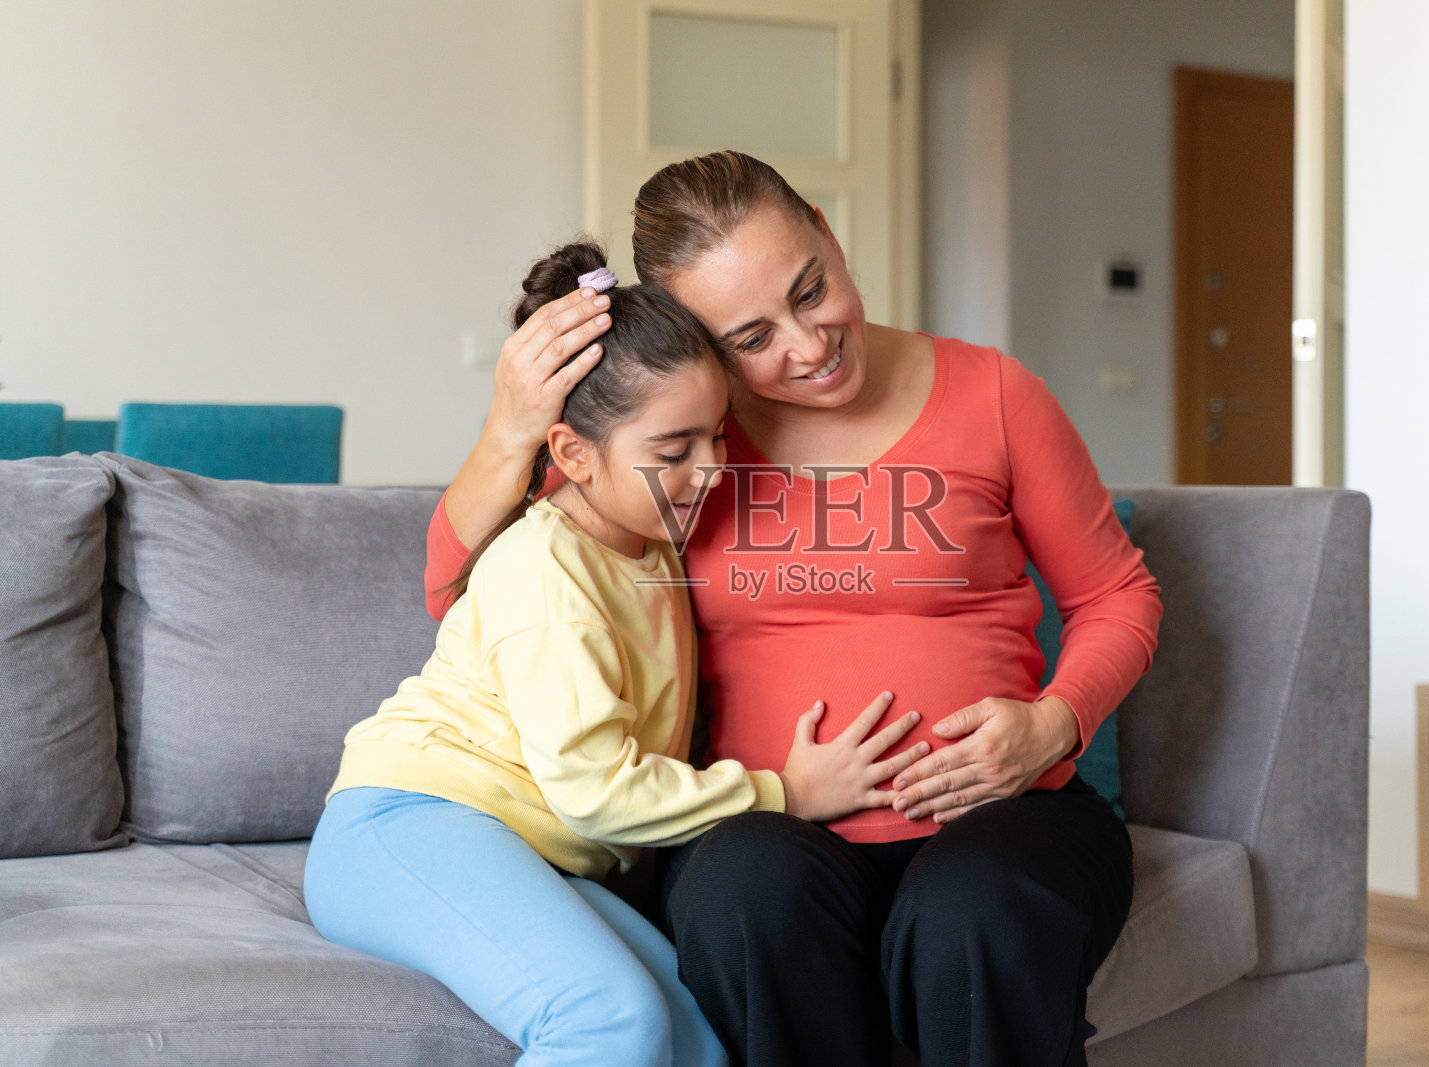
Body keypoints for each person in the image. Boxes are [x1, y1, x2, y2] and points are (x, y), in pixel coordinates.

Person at [425, 152, 1163, 1067]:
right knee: (745, 894)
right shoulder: (680, 437)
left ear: (828, 228)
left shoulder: (996, 393)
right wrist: (508, 428)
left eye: (812, 291)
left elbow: (1117, 593)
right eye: (751, 337)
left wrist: (1054, 722)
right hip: (766, 829)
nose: (809, 346)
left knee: (975, 913)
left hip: (1007, 813)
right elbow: (454, 587)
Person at [303, 240, 927, 1067]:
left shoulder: (648, 543)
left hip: (528, 849)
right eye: (674, 450)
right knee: (608, 1019)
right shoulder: (546, 570)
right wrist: (784, 793)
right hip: (407, 823)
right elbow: (596, 790)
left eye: (715, 436)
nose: (709, 470)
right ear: (571, 455)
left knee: (701, 1038)